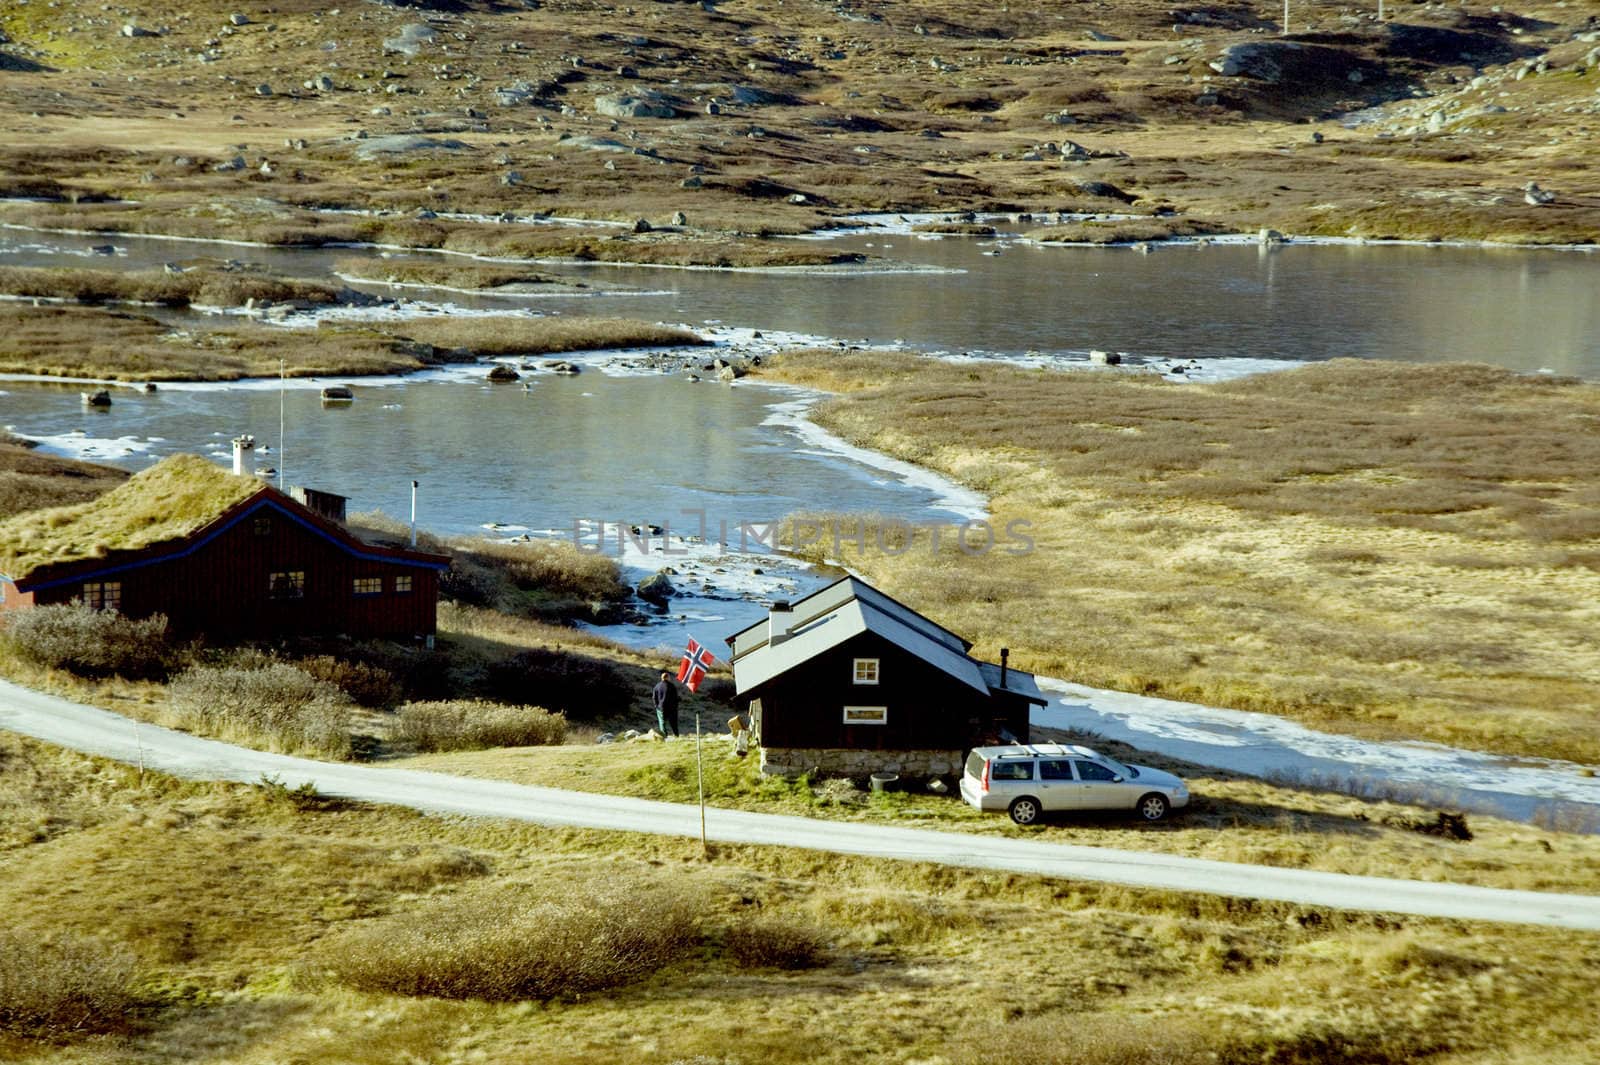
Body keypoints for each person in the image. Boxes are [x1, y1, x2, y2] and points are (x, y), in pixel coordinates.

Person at [653, 671, 680, 738]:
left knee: (662, 723)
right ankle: (676, 735)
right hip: (671, 708)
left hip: (661, 708)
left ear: (661, 678)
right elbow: (675, 698)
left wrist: (656, 706)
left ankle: (664, 736)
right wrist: (675, 706)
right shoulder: (672, 686)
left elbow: (654, 697)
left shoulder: (657, 686)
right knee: (673, 723)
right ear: (667, 677)